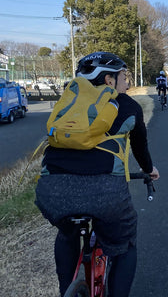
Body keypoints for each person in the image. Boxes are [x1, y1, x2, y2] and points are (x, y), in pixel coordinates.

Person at [34, 51, 160, 297]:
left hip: (52, 190)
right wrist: (149, 170)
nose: (127, 83)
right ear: (109, 80)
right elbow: (140, 148)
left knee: (67, 233)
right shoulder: (128, 106)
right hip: (106, 193)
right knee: (125, 245)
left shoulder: (69, 104)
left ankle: (66, 291)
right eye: (124, 77)